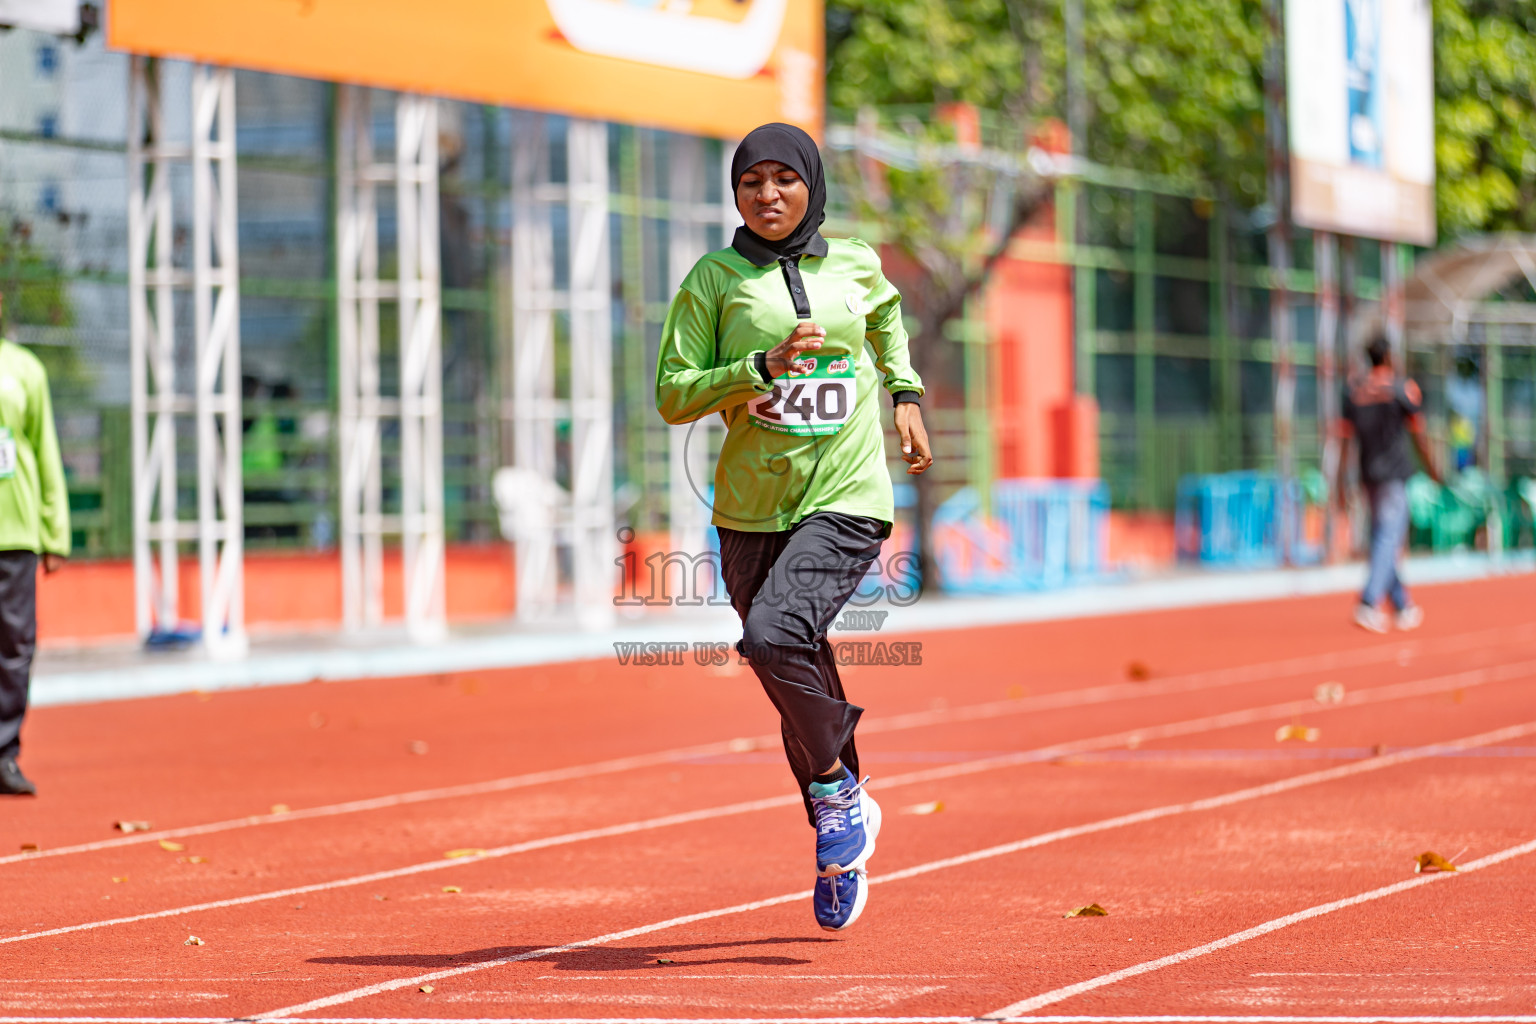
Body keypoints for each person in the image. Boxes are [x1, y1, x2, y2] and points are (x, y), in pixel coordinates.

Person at [655, 123, 932, 930]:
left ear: (812, 183)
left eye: (784, 179)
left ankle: (836, 794)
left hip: (846, 494)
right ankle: (840, 835)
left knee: (774, 639)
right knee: (794, 660)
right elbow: (674, 392)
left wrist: (906, 394)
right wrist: (756, 370)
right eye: (752, 183)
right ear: (736, 194)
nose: (768, 195)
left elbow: (885, 320)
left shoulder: (855, 262)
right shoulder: (713, 279)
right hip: (749, 506)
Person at [0, 292, 71, 796]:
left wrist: (54, 531)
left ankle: (3, 755)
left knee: (13, 647)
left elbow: (45, 450)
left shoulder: (25, 369)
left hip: (15, 531)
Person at [1336, 332, 1440, 634]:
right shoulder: (1403, 388)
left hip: (1367, 475)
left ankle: (1402, 605)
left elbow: (1345, 443)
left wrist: (1342, 481)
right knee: (1388, 538)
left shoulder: (1353, 391)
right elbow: (1419, 434)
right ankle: (1368, 602)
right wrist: (1433, 468)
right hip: (1394, 476)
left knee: (1384, 537)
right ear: (1390, 357)